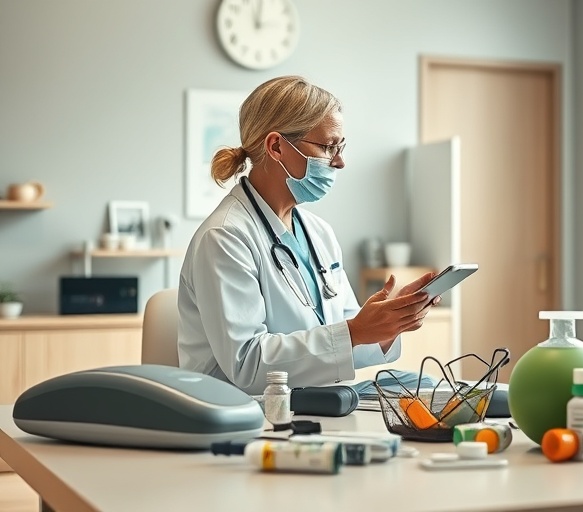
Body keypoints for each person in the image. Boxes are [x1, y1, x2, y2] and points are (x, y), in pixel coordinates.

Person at [178, 75, 438, 396]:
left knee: (428, 391)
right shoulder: (224, 238)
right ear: (276, 147)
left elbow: (340, 339)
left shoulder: (318, 233)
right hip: (247, 416)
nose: (339, 162)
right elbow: (246, 364)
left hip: (316, 403)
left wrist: (384, 325)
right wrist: (355, 331)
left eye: (340, 147)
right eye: (329, 146)